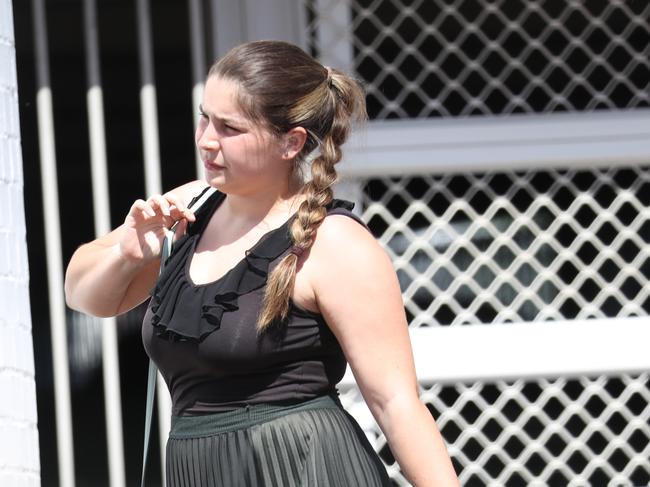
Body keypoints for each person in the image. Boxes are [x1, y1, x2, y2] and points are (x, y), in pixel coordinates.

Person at [65, 40, 459, 486]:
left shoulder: (332, 243)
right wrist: (127, 253)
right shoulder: (187, 209)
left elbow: (395, 402)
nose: (206, 140)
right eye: (204, 117)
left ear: (290, 143)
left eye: (230, 128)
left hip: (305, 468)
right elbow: (82, 296)